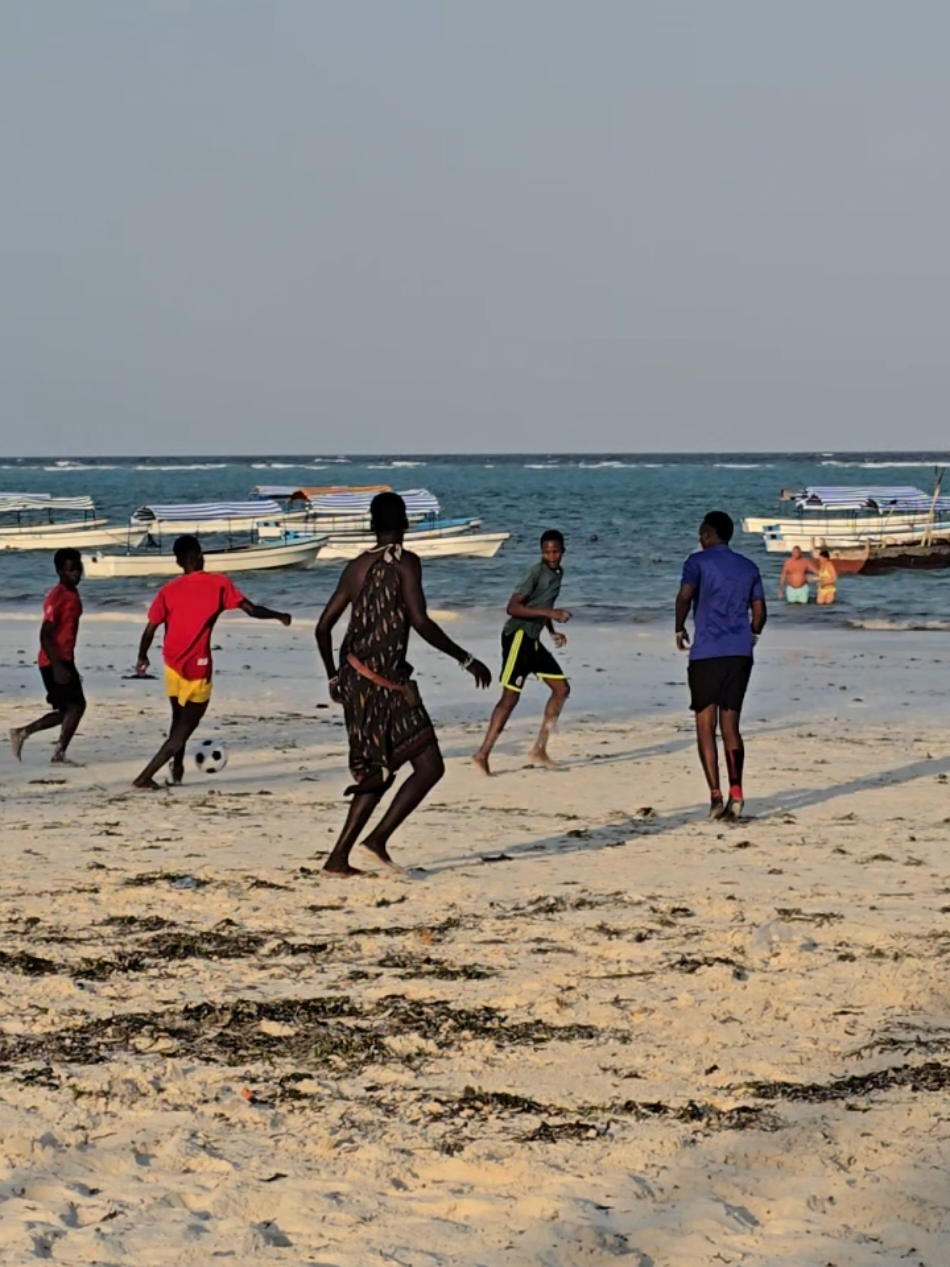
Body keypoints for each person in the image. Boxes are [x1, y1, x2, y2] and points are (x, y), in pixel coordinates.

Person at [316, 492, 491, 877]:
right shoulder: (407, 564)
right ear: (407, 524)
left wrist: (333, 677)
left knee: (386, 767)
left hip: (356, 679)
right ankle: (360, 848)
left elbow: (322, 628)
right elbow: (421, 621)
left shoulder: (354, 569)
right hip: (388, 683)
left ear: (371, 525)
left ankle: (350, 852)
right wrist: (466, 659)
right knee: (426, 766)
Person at [132, 534, 291, 789]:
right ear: (198, 556)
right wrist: (280, 615)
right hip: (197, 669)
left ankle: (178, 768)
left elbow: (150, 629)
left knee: (177, 719)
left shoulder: (168, 590)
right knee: (183, 730)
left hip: (172, 665)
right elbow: (251, 610)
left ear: (178, 561)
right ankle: (144, 777)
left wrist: (142, 656)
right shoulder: (218, 584)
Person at [675, 511, 767, 820]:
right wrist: (751, 637)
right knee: (731, 727)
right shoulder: (749, 567)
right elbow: (759, 613)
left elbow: (684, 597)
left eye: (703, 533)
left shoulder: (697, 562)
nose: (700, 538)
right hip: (739, 654)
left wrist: (679, 627)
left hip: (706, 654)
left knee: (705, 726)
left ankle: (715, 796)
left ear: (709, 534)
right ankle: (737, 793)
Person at [472, 530, 571, 775]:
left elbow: (540, 606)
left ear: (563, 551)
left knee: (561, 689)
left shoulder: (558, 573)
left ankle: (540, 749)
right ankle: (482, 754)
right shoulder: (534, 572)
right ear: (541, 552)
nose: (552, 555)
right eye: (547, 551)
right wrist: (551, 614)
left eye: (556, 550)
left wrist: (551, 631)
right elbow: (513, 607)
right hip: (517, 637)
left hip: (533, 640)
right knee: (510, 698)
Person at [10, 547, 86, 765]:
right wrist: (57, 666)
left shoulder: (72, 593)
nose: (77, 573)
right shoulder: (58, 597)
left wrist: (69, 666)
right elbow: (45, 635)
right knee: (75, 707)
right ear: (60, 571)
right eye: (71, 570)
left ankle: (23, 733)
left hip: (64, 659)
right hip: (53, 661)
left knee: (68, 709)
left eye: (78, 568)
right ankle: (56, 753)